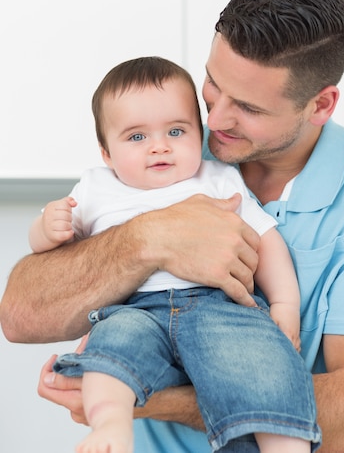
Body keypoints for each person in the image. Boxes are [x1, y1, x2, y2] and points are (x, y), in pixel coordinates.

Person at [1, 0, 344, 453]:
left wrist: (153, 395)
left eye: (249, 108)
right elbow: (20, 314)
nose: (213, 121)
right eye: (213, 85)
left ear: (320, 104)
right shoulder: (170, 146)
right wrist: (150, 238)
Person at [28, 56, 320, 453]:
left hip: (219, 306)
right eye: (136, 137)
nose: (159, 146)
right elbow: (48, 248)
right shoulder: (96, 188)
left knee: (264, 364)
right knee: (109, 350)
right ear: (107, 153)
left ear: (198, 134)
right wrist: (47, 226)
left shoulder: (217, 179)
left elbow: (265, 239)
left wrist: (285, 302)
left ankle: (285, 446)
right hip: (134, 310)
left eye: (177, 131)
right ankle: (111, 425)